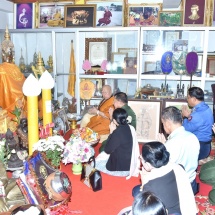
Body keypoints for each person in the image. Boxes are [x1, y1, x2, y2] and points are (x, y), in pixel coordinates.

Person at [132, 141, 197, 215]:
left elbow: (147, 201)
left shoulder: (149, 185)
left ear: (147, 163)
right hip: (181, 202)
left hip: (171, 212)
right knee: (136, 189)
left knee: (137, 193)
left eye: (141, 158)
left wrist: (144, 183)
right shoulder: (177, 166)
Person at [157, 106, 200, 195]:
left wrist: (163, 148)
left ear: (168, 124)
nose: (163, 126)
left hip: (178, 187)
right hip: (191, 183)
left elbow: (163, 169)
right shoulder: (193, 137)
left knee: (137, 191)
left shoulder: (171, 144)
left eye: (163, 124)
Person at [95, 108, 140, 178]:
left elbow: (107, 150)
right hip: (130, 165)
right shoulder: (130, 128)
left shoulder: (117, 132)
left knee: (94, 163)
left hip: (120, 169)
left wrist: (111, 133)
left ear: (115, 121)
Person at [181, 87, 214, 162]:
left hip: (199, 147)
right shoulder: (206, 108)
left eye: (188, 97)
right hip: (206, 145)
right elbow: (199, 122)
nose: (187, 99)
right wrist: (189, 116)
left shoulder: (198, 114)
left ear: (194, 99)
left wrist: (185, 117)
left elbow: (185, 129)